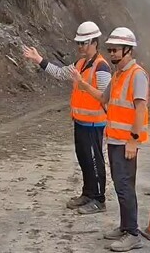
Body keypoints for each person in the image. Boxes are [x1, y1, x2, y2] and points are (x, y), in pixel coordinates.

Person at [22, 21, 111, 215]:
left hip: (95, 124)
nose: (80, 47)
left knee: (95, 160)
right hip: (80, 122)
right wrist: (39, 59)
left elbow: (106, 97)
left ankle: (99, 199)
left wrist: (83, 85)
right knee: (84, 159)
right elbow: (60, 74)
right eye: (78, 43)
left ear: (94, 42)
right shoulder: (80, 63)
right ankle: (88, 193)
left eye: (84, 43)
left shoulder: (101, 67)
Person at [73, 27, 149, 252]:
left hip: (126, 142)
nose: (112, 53)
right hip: (115, 139)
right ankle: (125, 227)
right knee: (119, 185)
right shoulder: (118, 75)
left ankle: (132, 233)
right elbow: (102, 97)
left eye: (115, 50)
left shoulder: (137, 75)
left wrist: (134, 141)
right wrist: (83, 84)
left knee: (125, 187)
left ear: (128, 50)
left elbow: (141, 108)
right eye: (110, 50)